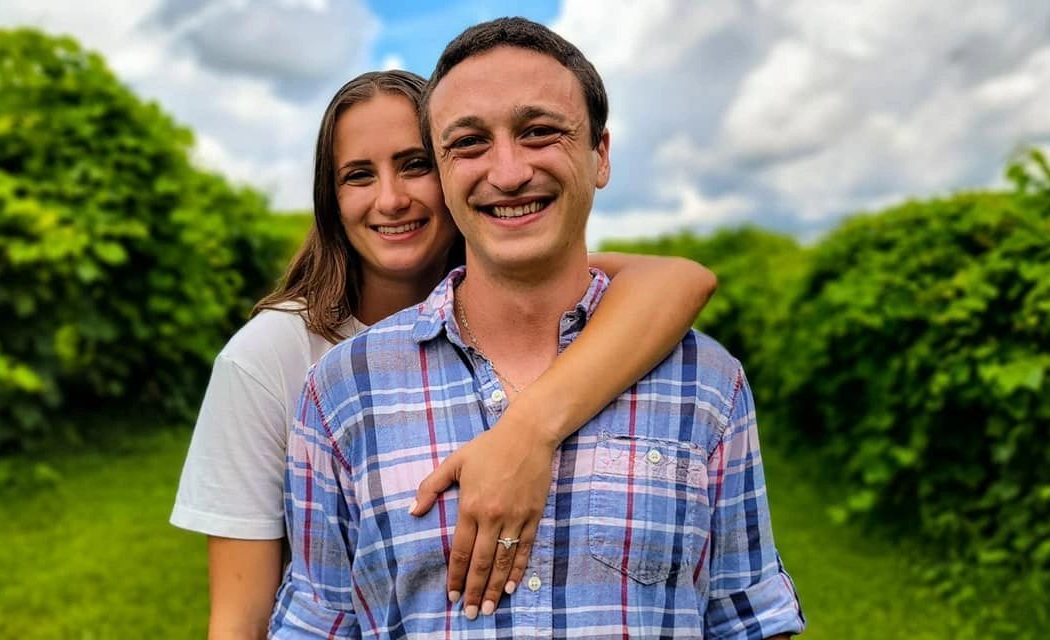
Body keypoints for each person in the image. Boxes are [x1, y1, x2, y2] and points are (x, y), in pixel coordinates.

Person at [270, 17, 804, 639]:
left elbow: (746, 622)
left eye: (540, 132)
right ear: (442, 175)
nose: (508, 171)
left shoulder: (708, 384)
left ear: (599, 154)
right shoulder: (342, 392)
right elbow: (318, 625)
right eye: (468, 143)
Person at [170, 68, 718, 638]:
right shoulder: (274, 357)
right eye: (358, 176)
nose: (391, 199)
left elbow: (679, 280)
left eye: (414, 165)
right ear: (330, 200)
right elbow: (242, 617)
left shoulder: (515, 286)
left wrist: (525, 431)